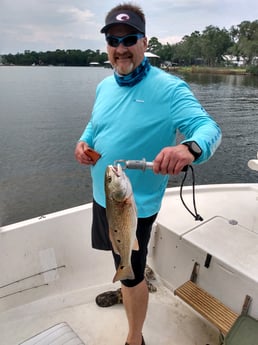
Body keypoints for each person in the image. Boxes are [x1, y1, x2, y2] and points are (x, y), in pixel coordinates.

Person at [74, 3, 222, 345]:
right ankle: (129, 283)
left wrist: (189, 149)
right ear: (107, 45)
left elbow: (208, 127)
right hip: (105, 198)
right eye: (113, 39)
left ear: (145, 42)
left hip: (134, 205)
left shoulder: (169, 89)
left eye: (130, 39)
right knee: (120, 258)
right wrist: (84, 142)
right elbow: (96, 124)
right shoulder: (103, 86)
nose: (121, 47)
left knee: (130, 273)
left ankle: (134, 336)